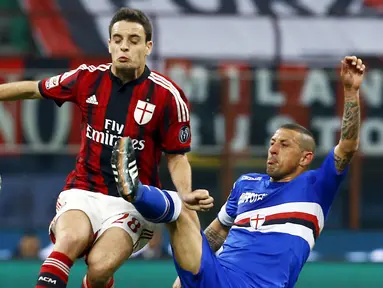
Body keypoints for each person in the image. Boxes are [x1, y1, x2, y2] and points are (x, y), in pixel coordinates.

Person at [111, 56, 364, 288]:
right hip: (218, 275)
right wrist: (187, 276)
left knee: (181, 208)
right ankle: (135, 190)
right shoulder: (246, 183)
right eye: (272, 142)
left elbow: (348, 146)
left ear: (305, 158)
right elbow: (216, 232)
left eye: (284, 144)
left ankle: (138, 191)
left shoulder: (317, 186)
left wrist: (350, 92)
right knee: (182, 207)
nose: (273, 149)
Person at [0, 8, 195, 288]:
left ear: (148, 46)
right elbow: (34, 88)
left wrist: (186, 194)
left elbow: (177, 157)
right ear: (109, 44)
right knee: (69, 241)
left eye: (133, 39)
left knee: (99, 269)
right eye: (117, 39)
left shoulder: (168, 96)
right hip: (84, 190)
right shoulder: (86, 78)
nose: (124, 45)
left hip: (133, 203)